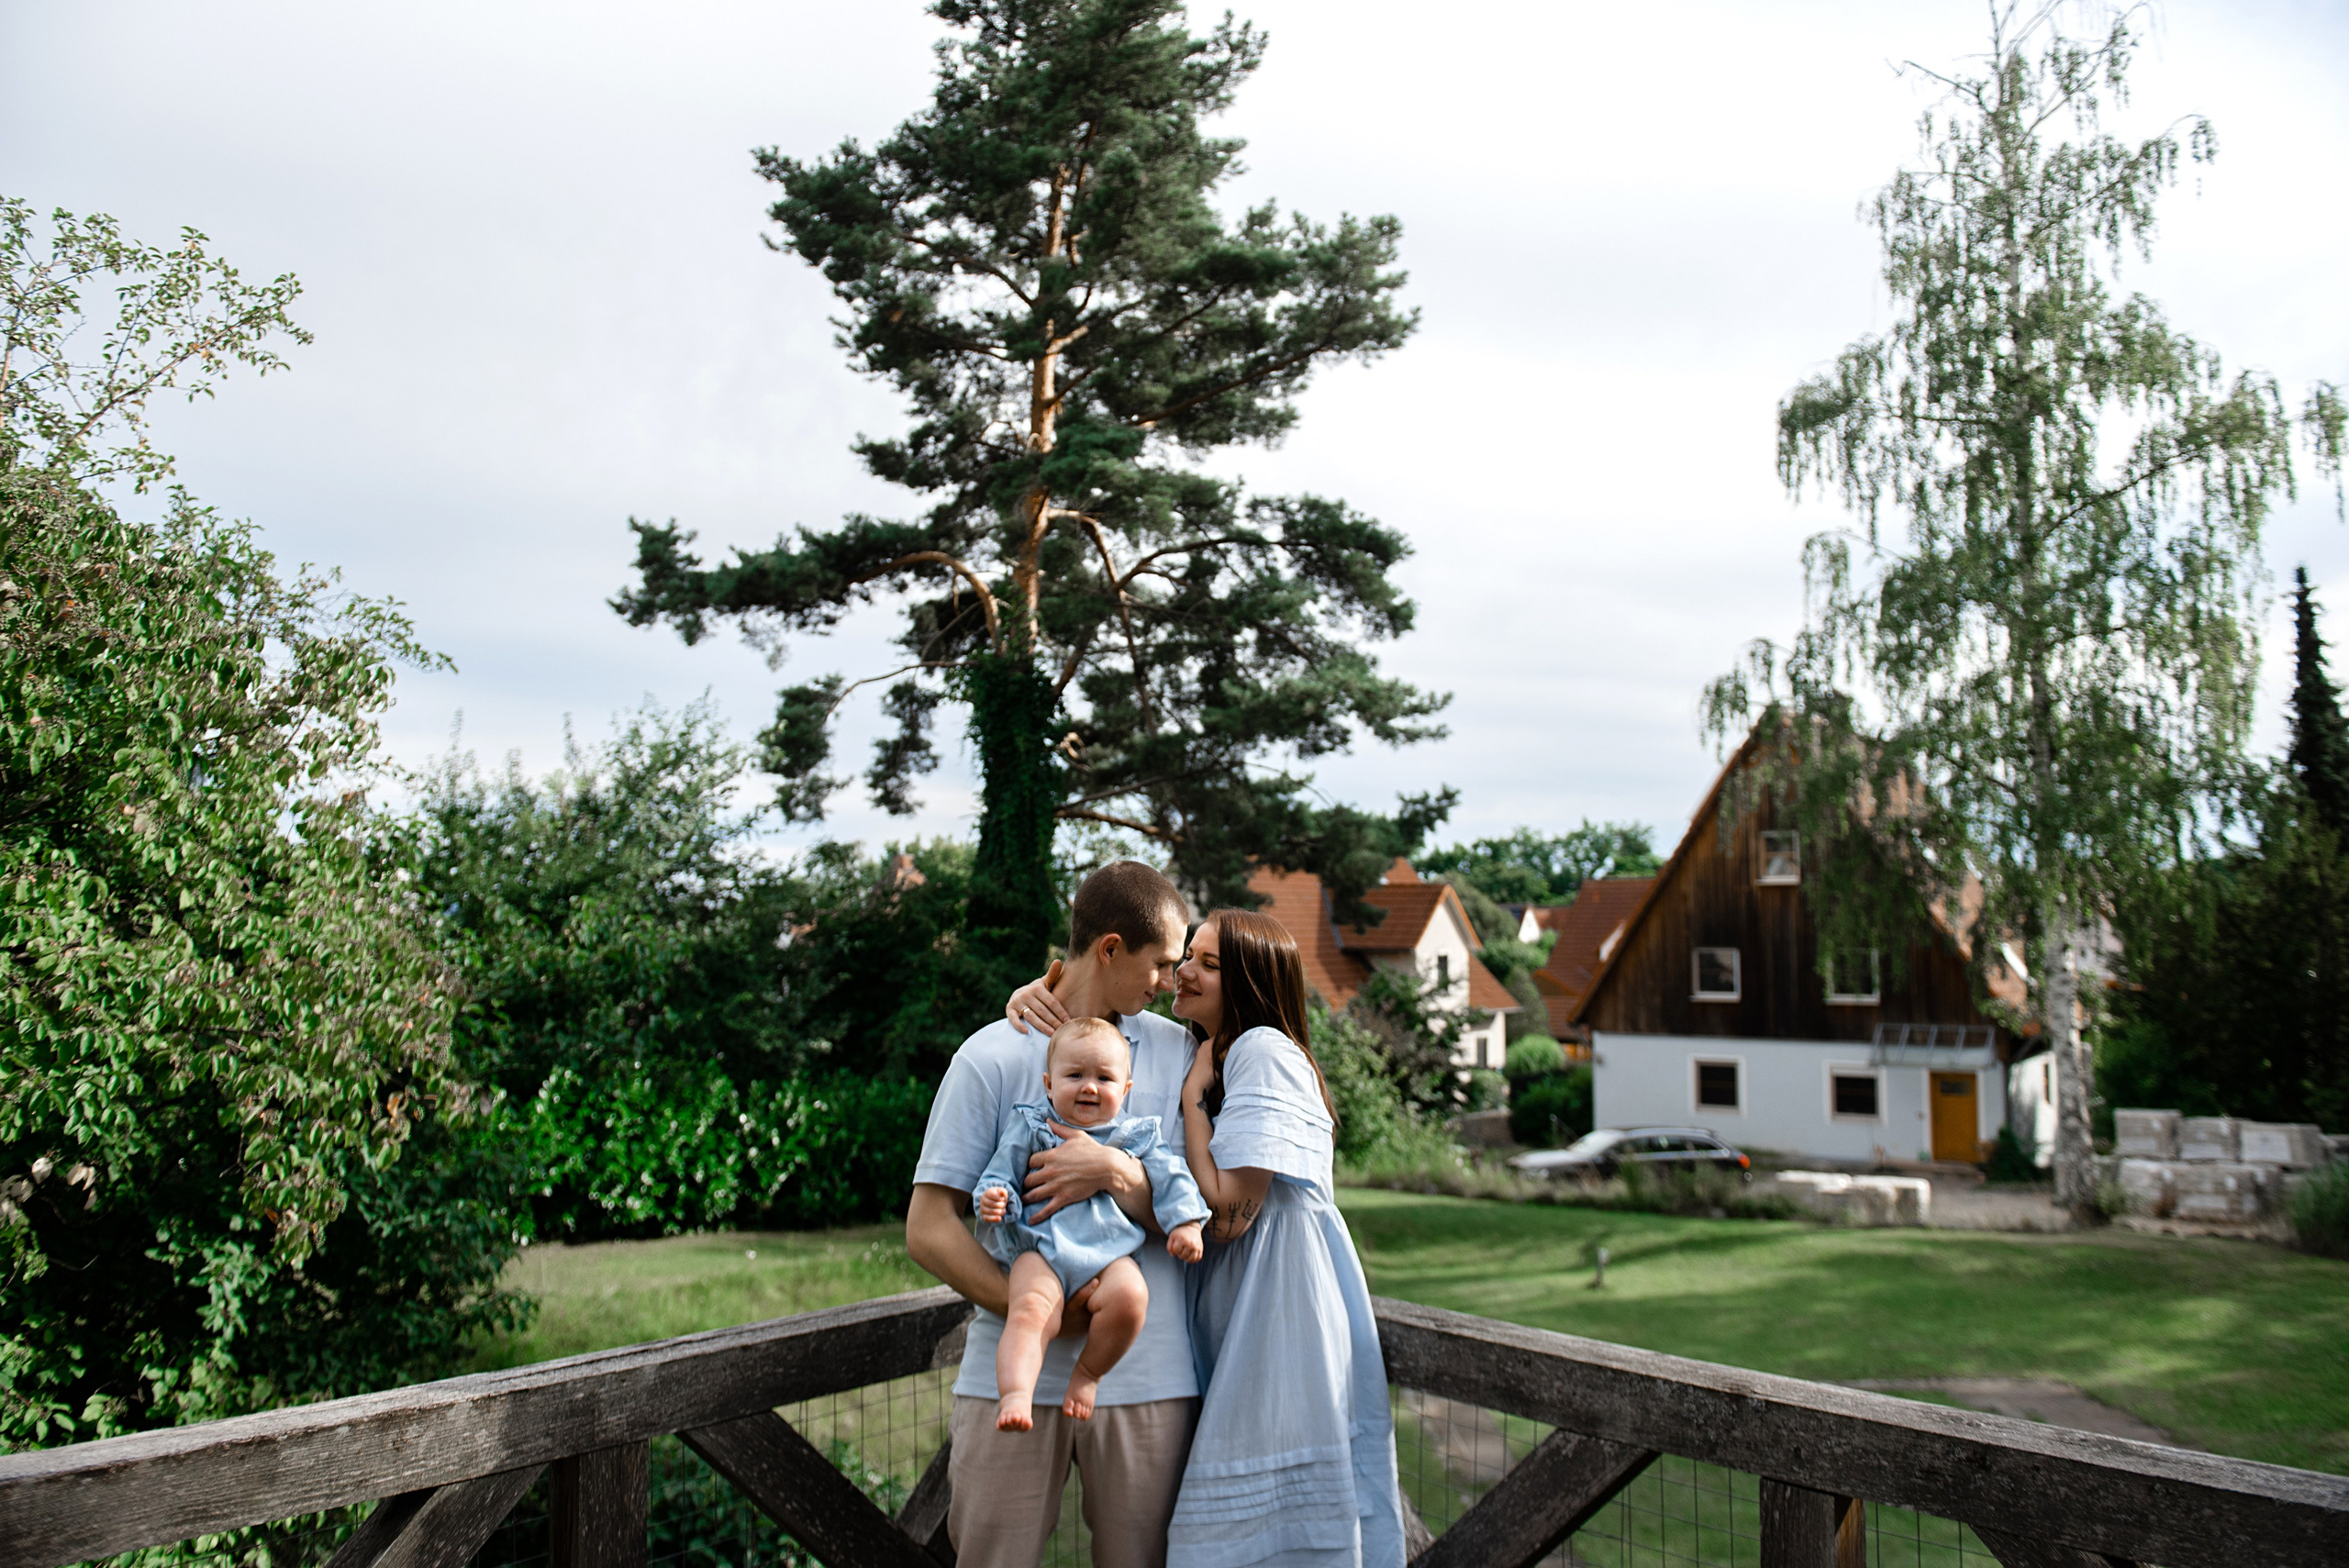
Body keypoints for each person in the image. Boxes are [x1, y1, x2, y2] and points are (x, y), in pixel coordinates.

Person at [1006, 910, 1407, 1568]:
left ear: (1250, 980)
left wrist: (1191, 1101)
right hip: (1240, 1295)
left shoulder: (1261, 1051)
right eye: (1186, 955)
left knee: (1260, 1515)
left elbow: (1229, 1216)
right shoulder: (1207, 1047)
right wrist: (1034, 993)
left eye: (1208, 963)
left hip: (1281, 1301)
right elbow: (1093, 991)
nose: (1183, 971)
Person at [908, 861, 1203, 1568]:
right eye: (1160, 962)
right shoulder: (992, 1053)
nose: (1170, 982)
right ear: (1109, 948)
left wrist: (1115, 1171)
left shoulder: (1183, 1051)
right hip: (1010, 1380)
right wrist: (1034, 1307)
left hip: (1151, 1376)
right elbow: (929, 1226)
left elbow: (1212, 1212)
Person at [975, 1016, 1209, 1431]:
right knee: (1028, 1310)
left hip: (1109, 1253)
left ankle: (1088, 1375)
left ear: (1126, 1090)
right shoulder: (1031, 1125)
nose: (1089, 1086)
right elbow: (1000, 1173)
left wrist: (1186, 1224)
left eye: (1104, 1078)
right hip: (1039, 1247)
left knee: (1131, 1297)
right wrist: (995, 1197)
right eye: (1075, 1075)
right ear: (1048, 1084)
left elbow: (1174, 1178)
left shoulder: (1135, 1137)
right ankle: (1015, 1394)